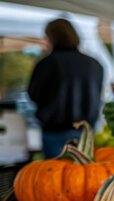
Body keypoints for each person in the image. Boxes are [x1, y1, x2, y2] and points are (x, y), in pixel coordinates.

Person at [28, 19, 103, 158]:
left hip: (55, 130)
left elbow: (33, 94)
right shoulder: (94, 64)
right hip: (86, 131)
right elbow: (98, 94)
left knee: (55, 175)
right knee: (85, 175)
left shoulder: (47, 64)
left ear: (52, 37)